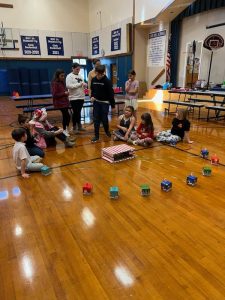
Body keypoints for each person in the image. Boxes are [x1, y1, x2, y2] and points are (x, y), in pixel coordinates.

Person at [90, 65, 116, 142]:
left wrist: (113, 106)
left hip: (105, 103)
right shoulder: (94, 80)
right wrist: (92, 96)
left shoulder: (107, 81)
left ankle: (107, 131)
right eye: (99, 74)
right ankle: (96, 136)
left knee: (104, 119)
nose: (100, 75)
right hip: (96, 102)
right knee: (96, 119)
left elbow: (111, 94)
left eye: (102, 74)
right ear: (96, 72)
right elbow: (92, 90)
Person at [66, 63, 87, 133]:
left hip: (81, 97)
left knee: (79, 112)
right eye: (77, 69)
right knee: (76, 113)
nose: (78, 70)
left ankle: (79, 126)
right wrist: (80, 84)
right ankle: (74, 127)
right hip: (74, 98)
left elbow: (82, 84)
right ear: (73, 68)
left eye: (79, 69)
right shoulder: (69, 76)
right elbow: (69, 86)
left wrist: (84, 85)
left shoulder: (80, 76)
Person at [51, 69, 71, 137]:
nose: (63, 77)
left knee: (67, 116)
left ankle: (66, 129)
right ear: (57, 76)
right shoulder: (55, 83)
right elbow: (54, 95)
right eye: (61, 76)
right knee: (66, 116)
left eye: (63, 76)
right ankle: (64, 130)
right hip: (60, 103)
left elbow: (63, 91)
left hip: (65, 102)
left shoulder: (62, 82)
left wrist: (66, 93)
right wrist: (64, 93)